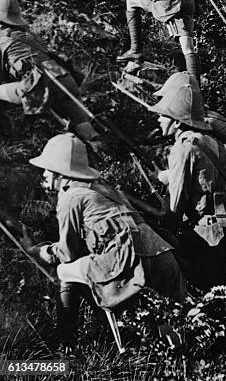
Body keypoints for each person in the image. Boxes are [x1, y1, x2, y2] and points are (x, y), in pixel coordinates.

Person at [27, 133, 187, 348]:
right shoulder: (103, 188)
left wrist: (40, 251)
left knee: (64, 272)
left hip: (131, 263)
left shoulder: (71, 197)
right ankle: (180, 361)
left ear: (61, 174)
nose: (44, 175)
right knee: (174, 331)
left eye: (48, 169)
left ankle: (66, 346)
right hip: (163, 257)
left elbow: (67, 254)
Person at [148, 81, 226, 354]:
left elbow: (176, 204)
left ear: (176, 118)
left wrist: (164, 230)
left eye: (162, 114)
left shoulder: (183, 148)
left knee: (199, 286)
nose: (158, 118)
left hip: (219, 231)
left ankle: (218, 353)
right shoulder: (214, 141)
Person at [0, 0, 101, 147]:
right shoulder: (27, 34)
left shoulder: (2, 38)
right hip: (63, 77)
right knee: (84, 127)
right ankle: (110, 157)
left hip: (40, 84)